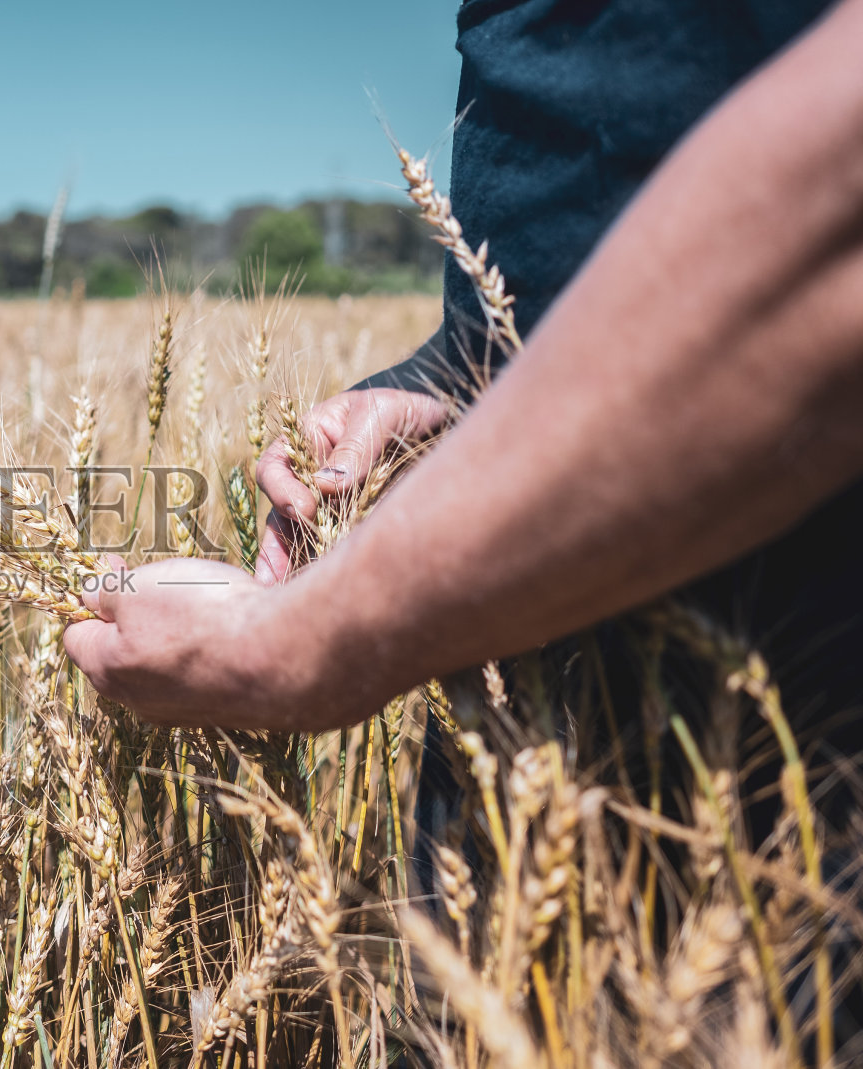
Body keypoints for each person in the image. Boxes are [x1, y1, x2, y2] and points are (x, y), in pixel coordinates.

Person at [62, 0, 863, 750]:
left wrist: (302, 640)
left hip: (790, 762)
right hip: (532, 753)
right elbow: (593, 212)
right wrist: (454, 386)